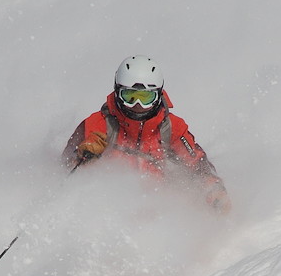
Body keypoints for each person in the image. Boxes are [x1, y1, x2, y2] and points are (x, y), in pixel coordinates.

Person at [62, 55, 231, 214]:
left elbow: (198, 163)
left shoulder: (170, 128)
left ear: (158, 95)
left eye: (146, 97)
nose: (138, 105)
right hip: (108, 210)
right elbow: (64, 169)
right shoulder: (98, 124)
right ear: (117, 92)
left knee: (186, 191)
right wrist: (84, 158)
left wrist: (214, 189)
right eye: (130, 96)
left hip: (157, 210)